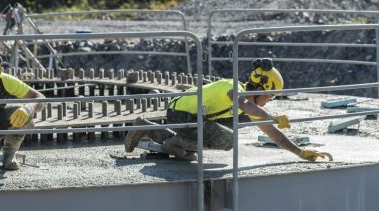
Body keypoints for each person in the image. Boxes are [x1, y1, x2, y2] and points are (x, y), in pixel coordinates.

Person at [124, 58, 332, 162]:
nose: (270, 100)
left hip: (190, 116)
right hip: (182, 112)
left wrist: (300, 152)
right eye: (271, 95)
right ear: (261, 88)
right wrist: (273, 117)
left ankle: (146, 128)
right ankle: (175, 143)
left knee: (191, 152)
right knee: (228, 140)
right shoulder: (232, 88)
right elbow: (242, 104)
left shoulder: (252, 105)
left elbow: (273, 134)